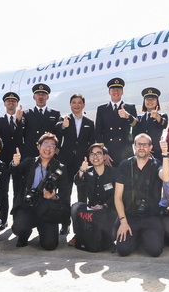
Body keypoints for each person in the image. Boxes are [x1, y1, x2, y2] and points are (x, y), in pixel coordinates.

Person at [113, 133, 169, 257]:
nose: (141, 147)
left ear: (150, 147)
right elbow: (117, 197)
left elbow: (166, 177)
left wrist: (165, 153)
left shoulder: (157, 164)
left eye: (145, 145)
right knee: (123, 250)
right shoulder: (124, 165)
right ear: (134, 146)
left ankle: (144, 236)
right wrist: (123, 221)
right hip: (130, 216)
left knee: (155, 251)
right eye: (139, 144)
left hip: (151, 216)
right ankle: (138, 237)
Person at [10, 133, 68, 250]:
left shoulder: (60, 168)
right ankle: (25, 233)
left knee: (50, 245)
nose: (48, 148)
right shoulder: (29, 162)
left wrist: (54, 197)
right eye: (45, 144)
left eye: (52, 146)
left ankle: (44, 228)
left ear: (55, 150)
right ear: (38, 147)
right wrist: (15, 164)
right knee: (18, 228)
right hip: (28, 205)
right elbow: (15, 174)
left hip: (47, 209)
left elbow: (65, 192)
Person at [54, 93, 95, 230]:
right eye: (74, 103)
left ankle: (82, 222)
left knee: (82, 193)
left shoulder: (89, 123)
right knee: (65, 193)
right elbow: (57, 132)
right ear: (70, 105)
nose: (76, 105)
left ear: (83, 105)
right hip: (66, 162)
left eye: (79, 103)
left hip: (82, 164)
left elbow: (91, 143)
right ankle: (65, 224)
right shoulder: (64, 120)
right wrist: (63, 126)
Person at [70, 143, 116, 252]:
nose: (95, 157)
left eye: (98, 153)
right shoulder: (87, 171)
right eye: (92, 154)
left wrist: (104, 205)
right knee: (75, 207)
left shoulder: (114, 172)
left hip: (108, 210)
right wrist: (82, 169)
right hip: (92, 210)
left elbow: (117, 195)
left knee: (107, 237)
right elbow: (77, 182)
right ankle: (79, 234)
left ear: (105, 156)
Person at [0, 91, 23, 230]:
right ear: (4, 104)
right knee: (3, 190)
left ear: (17, 104)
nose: (11, 103)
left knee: (18, 189)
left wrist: (19, 121)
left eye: (13, 101)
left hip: (18, 160)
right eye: (8, 101)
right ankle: (3, 219)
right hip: (3, 160)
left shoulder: (23, 118)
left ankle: (17, 218)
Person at [94, 77, 138, 165]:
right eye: (113, 90)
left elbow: (136, 125)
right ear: (109, 92)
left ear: (122, 92)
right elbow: (98, 132)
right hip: (109, 152)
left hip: (125, 151)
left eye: (118, 90)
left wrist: (128, 116)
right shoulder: (102, 109)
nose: (116, 92)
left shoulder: (130, 107)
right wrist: (103, 153)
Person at [21, 83, 61, 159]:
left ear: (47, 97)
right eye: (38, 94)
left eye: (43, 94)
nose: (40, 97)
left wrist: (56, 150)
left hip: (48, 152)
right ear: (34, 97)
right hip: (31, 153)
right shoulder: (26, 114)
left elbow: (59, 134)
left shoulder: (55, 114)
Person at [132, 87, 169, 159]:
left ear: (157, 101)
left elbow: (164, 124)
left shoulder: (162, 116)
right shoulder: (139, 118)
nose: (150, 102)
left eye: (153, 99)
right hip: (142, 153)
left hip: (157, 153)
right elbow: (135, 135)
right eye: (147, 99)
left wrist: (157, 116)